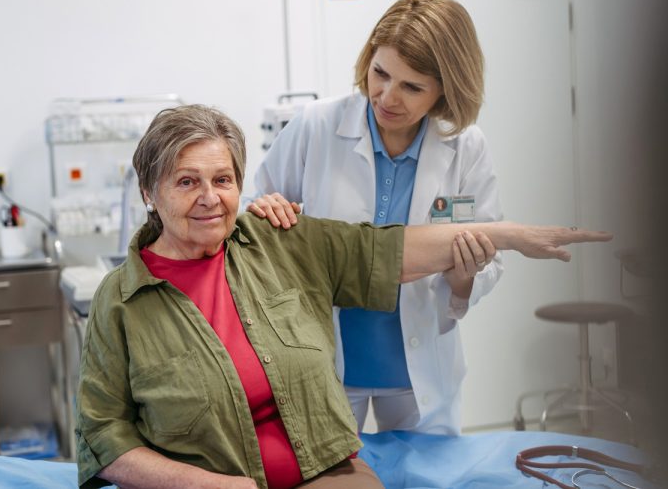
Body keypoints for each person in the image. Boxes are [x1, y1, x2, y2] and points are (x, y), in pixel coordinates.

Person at [75, 104, 611, 489]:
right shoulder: (120, 303)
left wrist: (509, 235)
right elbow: (103, 432)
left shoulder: (280, 243)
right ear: (149, 192)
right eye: (187, 182)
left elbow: (390, 251)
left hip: (328, 473)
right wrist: (199, 485)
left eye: (223, 179)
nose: (211, 198)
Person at [248, 0, 500, 435]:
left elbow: (491, 257)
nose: (386, 96)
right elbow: (256, 216)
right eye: (380, 72)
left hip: (419, 372)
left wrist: (465, 278)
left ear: (445, 90)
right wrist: (265, 210)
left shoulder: (465, 146)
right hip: (326, 364)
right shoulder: (317, 125)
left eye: (412, 86)